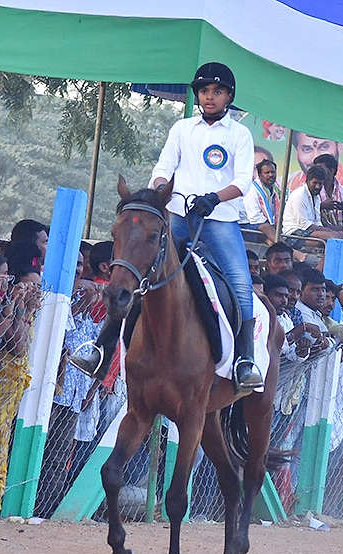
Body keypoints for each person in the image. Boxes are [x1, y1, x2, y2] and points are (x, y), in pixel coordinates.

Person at [70, 62, 263, 393]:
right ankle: (100, 349)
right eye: (204, 91)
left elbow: (244, 181)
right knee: (136, 273)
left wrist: (214, 198)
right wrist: (160, 192)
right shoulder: (182, 128)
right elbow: (163, 168)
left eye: (216, 92)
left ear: (229, 96)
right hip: (175, 216)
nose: (209, 97)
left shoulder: (239, 134)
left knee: (241, 284)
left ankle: (245, 360)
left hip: (218, 220)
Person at [242, 158, 281, 243]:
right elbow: (254, 217)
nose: (270, 175)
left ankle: (272, 240)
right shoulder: (252, 190)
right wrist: (271, 226)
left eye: (273, 172)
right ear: (259, 175)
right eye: (267, 173)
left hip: (267, 225)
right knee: (266, 228)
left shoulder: (277, 188)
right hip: (247, 226)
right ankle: (292, 251)